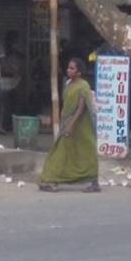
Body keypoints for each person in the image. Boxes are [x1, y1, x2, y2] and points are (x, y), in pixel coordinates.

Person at [38, 58, 100, 193]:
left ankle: (92, 182)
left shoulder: (83, 86)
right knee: (62, 152)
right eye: (68, 68)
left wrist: (71, 125)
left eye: (72, 68)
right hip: (67, 123)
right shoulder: (68, 84)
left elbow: (80, 108)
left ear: (79, 72)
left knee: (85, 153)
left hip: (80, 127)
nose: (68, 70)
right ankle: (51, 180)